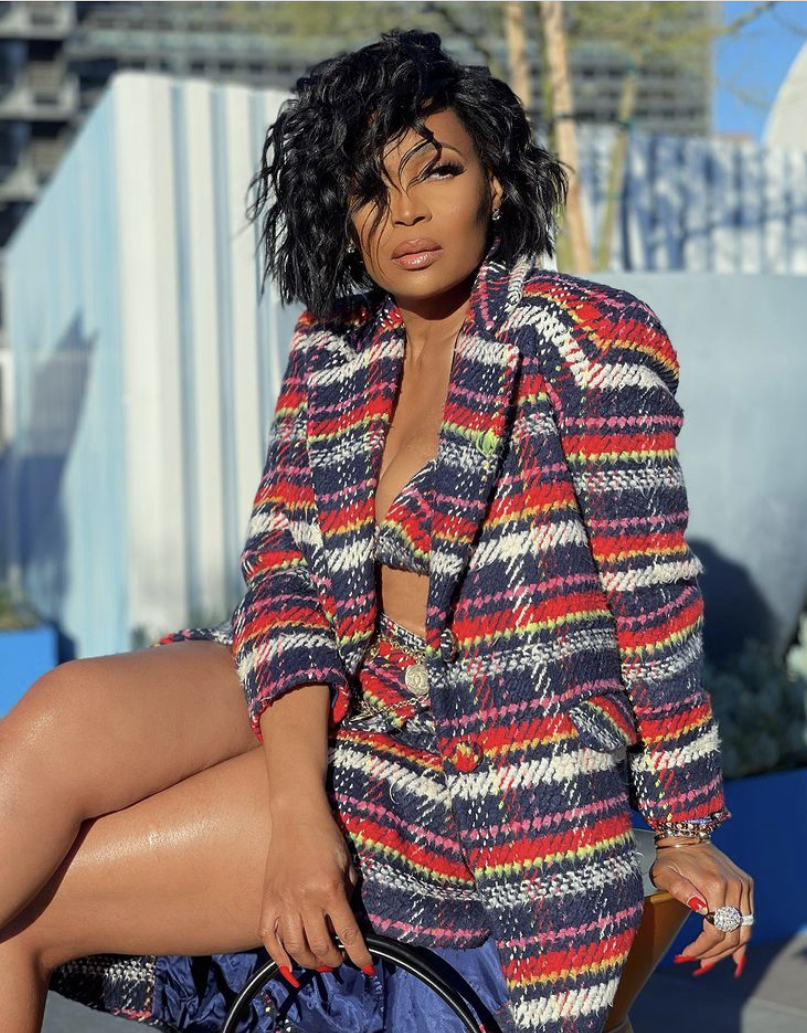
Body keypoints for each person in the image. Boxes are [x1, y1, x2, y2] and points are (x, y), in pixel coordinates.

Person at [0, 28, 753, 1033]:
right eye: (369, 188)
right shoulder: (333, 348)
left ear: (495, 182)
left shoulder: (588, 339)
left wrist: (685, 824)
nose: (404, 211)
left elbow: (650, 601)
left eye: (436, 170)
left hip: (471, 757)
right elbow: (282, 576)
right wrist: (296, 812)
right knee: (61, 712)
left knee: (27, 919)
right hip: (324, 678)